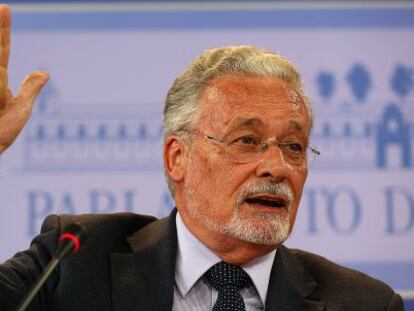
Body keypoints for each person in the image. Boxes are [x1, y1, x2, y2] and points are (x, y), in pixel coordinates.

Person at [0, 4, 404, 311]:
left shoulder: (363, 301)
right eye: (247, 140)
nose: (277, 167)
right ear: (178, 158)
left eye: (294, 147)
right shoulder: (74, 259)